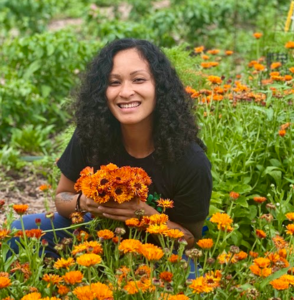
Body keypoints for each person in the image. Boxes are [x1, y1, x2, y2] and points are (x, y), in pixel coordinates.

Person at [9, 38, 212, 276]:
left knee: (190, 276)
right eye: (114, 82)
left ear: (160, 87)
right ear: (102, 92)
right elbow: (61, 197)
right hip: (93, 232)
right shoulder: (91, 133)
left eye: (139, 79)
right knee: (20, 230)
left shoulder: (191, 160)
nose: (126, 92)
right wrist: (82, 203)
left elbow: (190, 240)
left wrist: (148, 216)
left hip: (153, 250)